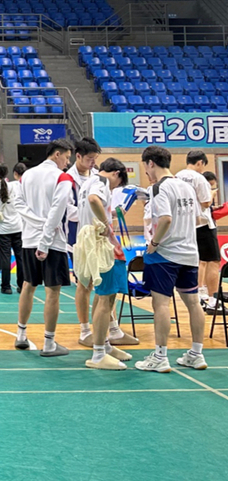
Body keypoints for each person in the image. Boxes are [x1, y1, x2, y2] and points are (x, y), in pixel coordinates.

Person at [136, 146, 208, 372]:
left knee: (161, 304)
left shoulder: (158, 188)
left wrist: (154, 243)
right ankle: (196, 354)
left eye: (145, 166)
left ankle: (160, 356)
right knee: (193, 303)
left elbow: (165, 219)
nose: (146, 171)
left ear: (150, 163)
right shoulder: (187, 186)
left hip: (164, 255)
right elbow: (198, 219)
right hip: (189, 253)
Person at [13, 138, 74, 356]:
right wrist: (46, 239)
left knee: (28, 285)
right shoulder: (62, 177)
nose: (67, 163)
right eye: (66, 157)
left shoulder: (26, 175)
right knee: (52, 292)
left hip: (29, 239)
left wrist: (36, 223)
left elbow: (18, 204)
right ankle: (49, 343)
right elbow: (57, 211)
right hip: (52, 241)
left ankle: (21, 335)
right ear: (57, 154)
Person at [74, 158, 133, 370]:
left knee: (105, 297)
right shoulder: (101, 182)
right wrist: (107, 226)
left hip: (91, 243)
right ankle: (98, 354)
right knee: (105, 296)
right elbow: (93, 200)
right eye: (118, 184)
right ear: (116, 173)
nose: (115, 188)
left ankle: (105, 345)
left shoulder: (88, 182)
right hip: (101, 245)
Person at [67, 138, 101, 347]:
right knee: (84, 283)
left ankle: (109, 327)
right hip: (78, 237)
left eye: (95, 159)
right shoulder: (66, 179)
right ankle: (84, 329)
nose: (93, 163)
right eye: (89, 158)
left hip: (99, 236)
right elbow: (66, 209)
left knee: (104, 283)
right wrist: (87, 212)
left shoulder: (97, 177)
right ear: (78, 156)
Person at [176, 150, 220, 310]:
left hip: (184, 225)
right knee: (212, 261)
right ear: (200, 162)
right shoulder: (199, 178)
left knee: (197, 261)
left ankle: (199, 295)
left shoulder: (177, 176)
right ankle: (213, 300)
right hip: (202, 224)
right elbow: (206, 203)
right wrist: (212, 194)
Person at [0, 162, 24, 294]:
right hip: (17, 226)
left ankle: (6, 286)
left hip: (2, 229)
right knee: (20, 257)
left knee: (5, 257)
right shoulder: (15, 185)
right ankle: (21, 285)